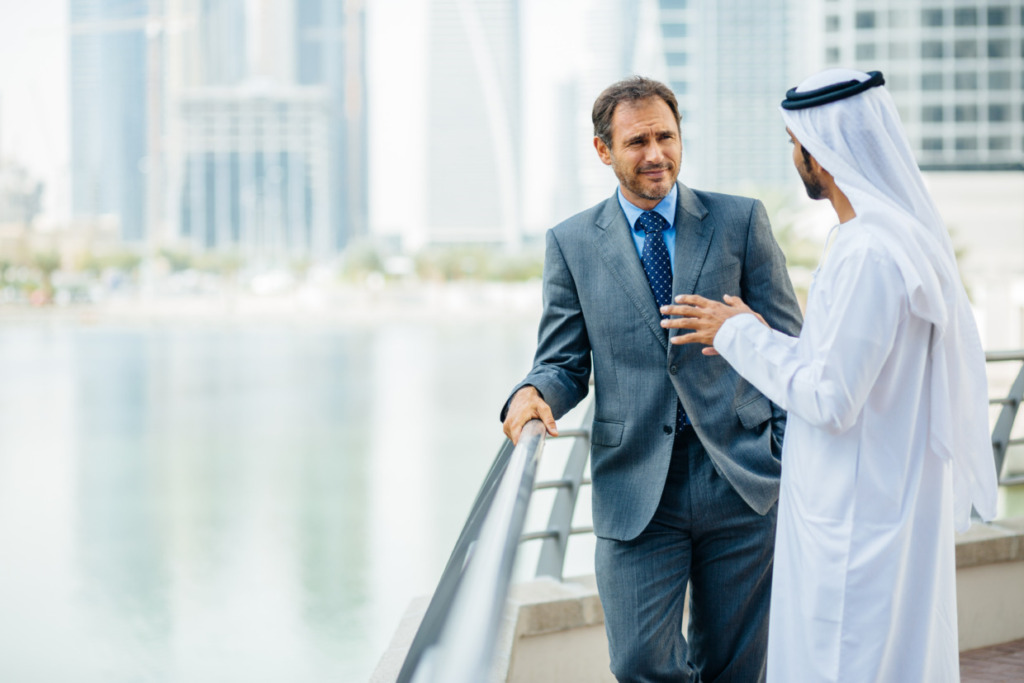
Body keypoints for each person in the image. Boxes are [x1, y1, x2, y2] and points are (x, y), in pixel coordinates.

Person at [662, 69, 998, 682]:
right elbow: (837, 366)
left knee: (844, 661)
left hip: (854, 519)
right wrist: (757, 330)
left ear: (821, 152)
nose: (794, 157)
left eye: (795, 144)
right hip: (874, 502)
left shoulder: (870, 251)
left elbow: (830, 396)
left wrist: (734, 333)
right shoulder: (884, 239)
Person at [501, 76, 803, 682]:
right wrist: (532, 393)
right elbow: (563, 361)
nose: (656, 154)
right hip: (636, 484)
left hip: (741, 477)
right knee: (639, 662)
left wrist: (785, 451)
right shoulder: (572, 243)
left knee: (737, 668)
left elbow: (790, 345)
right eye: (637, 141)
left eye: (666, 136)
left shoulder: (739, 220)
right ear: (602, 150)